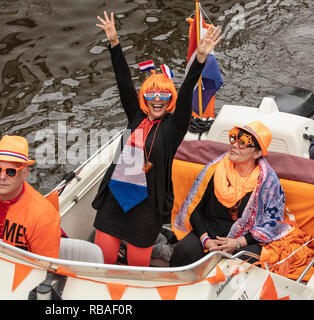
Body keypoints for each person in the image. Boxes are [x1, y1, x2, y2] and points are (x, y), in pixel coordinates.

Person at [91, 11, 222, 266]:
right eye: (152, 95)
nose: (157, 100)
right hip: (114, 199)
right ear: (144, 99)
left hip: (147, 207)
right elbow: (123, 82)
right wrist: (115, 44)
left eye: (163, 95)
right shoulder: (135, 116)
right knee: (101, 262)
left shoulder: (174, 127)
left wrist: (200, 58)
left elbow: (186, 92)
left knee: (137, 269)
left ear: (170, 99)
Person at [171, 121, 292, 267]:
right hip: (208, 233)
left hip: (243, 239)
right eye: (234, 138)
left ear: (258, 153)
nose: (234, 145)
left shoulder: (268, 182)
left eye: (243, 143)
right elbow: (194, 208)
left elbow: (273, 223)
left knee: (249, 260)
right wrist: (206, 240)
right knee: (183, 251)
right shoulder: (214, 170)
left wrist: (238, 243)